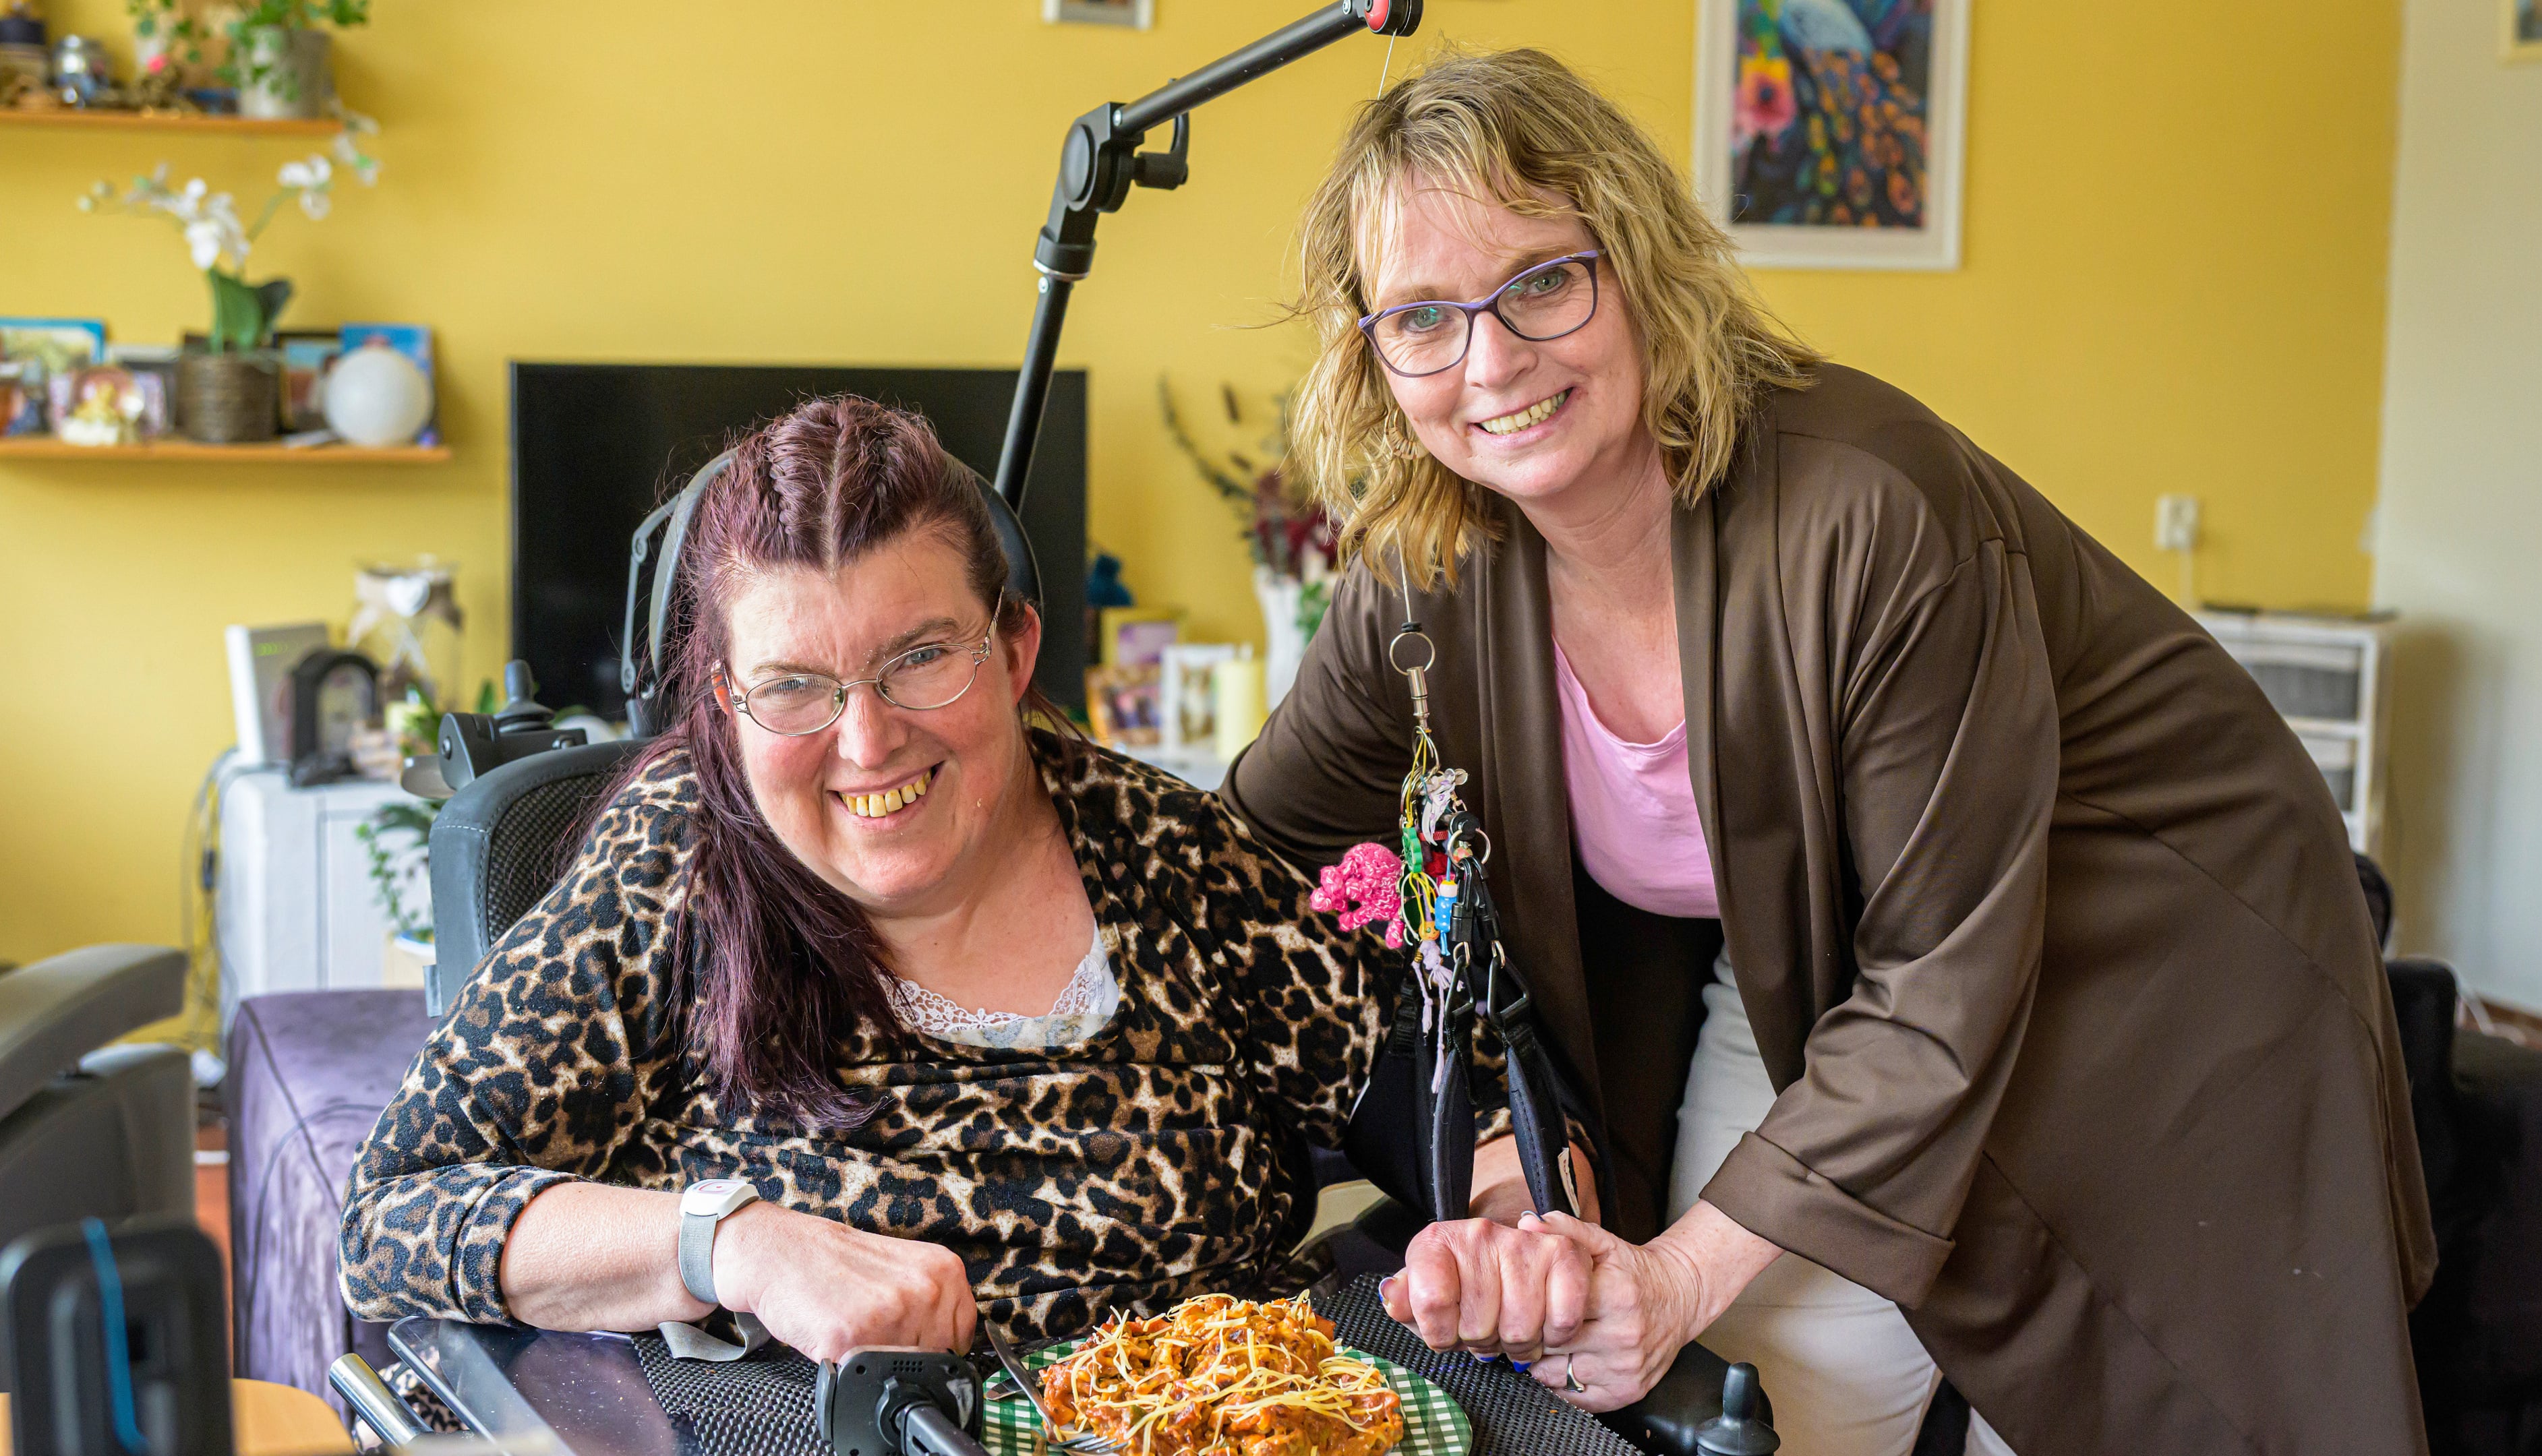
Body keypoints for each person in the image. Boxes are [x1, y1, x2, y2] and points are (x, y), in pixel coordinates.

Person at [1221, 49, 2435, 1456]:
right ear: (1370, 352)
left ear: (1640, 262)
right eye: (1422, 317)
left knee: (2126, 1389)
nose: (1490, 361)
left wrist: (1678, 1273)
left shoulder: (1866, 508)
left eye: (1543, 282)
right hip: (1828, 957)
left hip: (2138, 963)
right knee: (1751, 1394)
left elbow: (1944, 977)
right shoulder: (1421, 575)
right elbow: (1246, 851)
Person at [337, 396, 1574, 1368]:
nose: (867, 741)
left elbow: (1466, 1123)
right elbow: (389, 1220)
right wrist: (733, 1246)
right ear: (726, 700)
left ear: (1015, 647)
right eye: (795, 688)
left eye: (920, 657)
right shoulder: (682, 864)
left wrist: (1516, 1234)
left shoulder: (1164, 854)